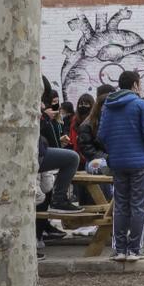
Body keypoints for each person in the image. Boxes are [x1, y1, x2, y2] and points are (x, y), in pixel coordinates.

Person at [98, 71, 144, 261]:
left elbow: (102, 135)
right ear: (134, 85)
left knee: (120, 205)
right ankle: (135, 249)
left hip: (118, 162)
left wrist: (115, 150)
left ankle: (119, 249)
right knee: (139, 206)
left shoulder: (108, 106)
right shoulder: (141, 105)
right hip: (140, 162)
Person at [40, 81, 82, 215]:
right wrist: (45, 116)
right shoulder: (44, 116)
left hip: (41, 151)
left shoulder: (56, 119)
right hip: (36, 153)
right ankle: (58, 200)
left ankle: (57, 201)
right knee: (72, 158)